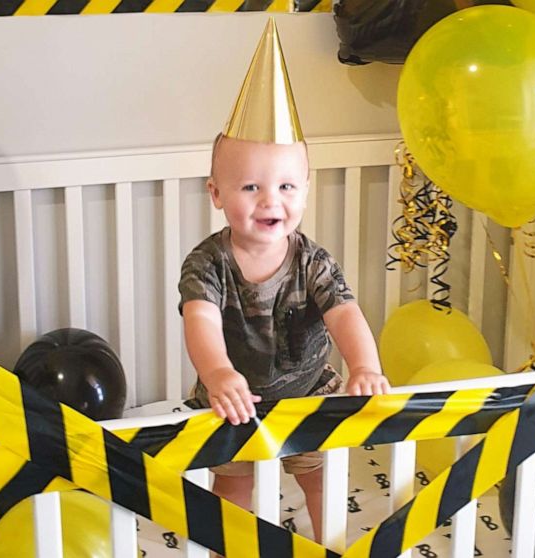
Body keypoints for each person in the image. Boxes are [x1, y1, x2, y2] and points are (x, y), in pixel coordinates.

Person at [178, 19, 389, 544]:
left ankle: (330, 545)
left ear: (306, 189)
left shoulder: (313, 262)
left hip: (307, 393)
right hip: (233, 398)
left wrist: (363, 365)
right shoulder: (207, 263)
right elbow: (198, 319)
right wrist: (219, 372)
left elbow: (345, 313)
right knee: (232, 487)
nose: (272, 200)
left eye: (287, 185)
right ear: (217, 193)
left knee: (322, 479)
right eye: (250, 186)